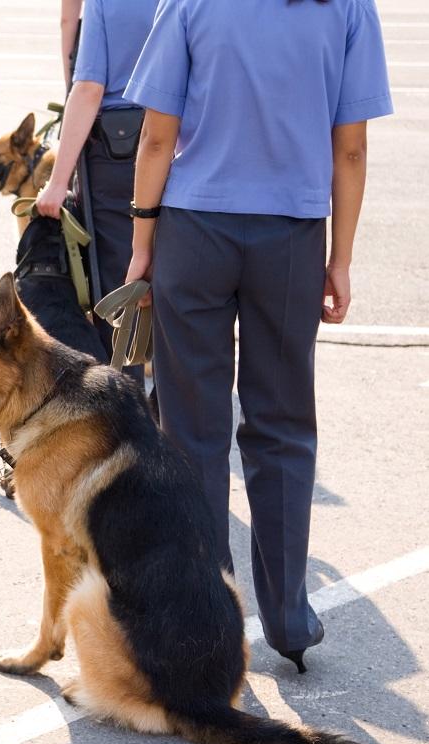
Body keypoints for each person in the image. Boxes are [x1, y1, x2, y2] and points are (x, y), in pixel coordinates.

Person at [124, 0, 392, 672]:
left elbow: (158, 135)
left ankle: (207, 624)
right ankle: (290, 621)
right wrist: (341, 257)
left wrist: (140, 242)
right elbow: (351, 147)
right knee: (282, 428)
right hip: (292, 239)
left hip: (194, 231)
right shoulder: (348, 7)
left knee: (193, 431)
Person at [37, 0, 158, 380]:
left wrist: (58, 182)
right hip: (185, 150)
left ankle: (129, 409)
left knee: (122, 289)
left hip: (117, 155)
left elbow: (88, 87)